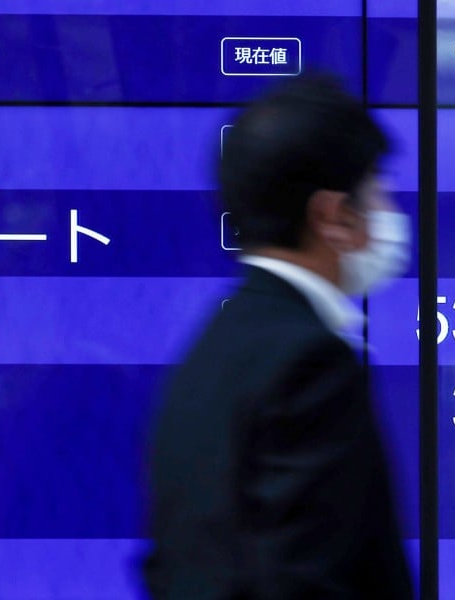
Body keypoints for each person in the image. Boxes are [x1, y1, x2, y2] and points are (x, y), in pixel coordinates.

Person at [143, 73, 414, 599]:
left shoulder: (212, 350)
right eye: (378, 188)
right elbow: (307, 581)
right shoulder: (309, 362)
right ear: (333, 216)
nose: (389, 211)